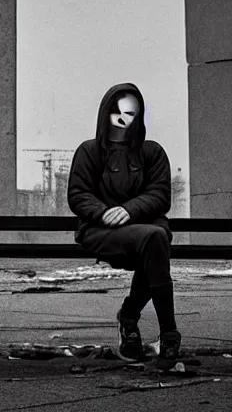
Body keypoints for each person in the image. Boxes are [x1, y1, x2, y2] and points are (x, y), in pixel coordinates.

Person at [67, 83, 181, 368]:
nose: (121, 118)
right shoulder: (89, 151)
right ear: (105, 112)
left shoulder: (152, 152)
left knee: (154, 240)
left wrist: (129, 210)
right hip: (101, 231)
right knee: (156, 240)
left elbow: (160, 195)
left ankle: (137, 322)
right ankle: (161, 331)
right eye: (115, 111)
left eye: (130, 113)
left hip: (145, 232)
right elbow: (78, 194)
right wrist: (104, 212)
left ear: (139, 116)